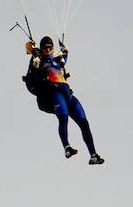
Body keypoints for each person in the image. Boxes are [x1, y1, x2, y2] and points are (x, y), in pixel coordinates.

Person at [24, 35, 103, 165]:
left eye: (50, 47)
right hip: (54, 91)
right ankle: (67, 147)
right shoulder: (38, 59)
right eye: (45, 48)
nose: (48, 50)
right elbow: (29, 49)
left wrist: (65, 49)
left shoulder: (58, 59)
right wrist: (32, 50)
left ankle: (93, 155)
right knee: (63, 117)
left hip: (67, 93)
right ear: (42, 48)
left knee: (84, 122)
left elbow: (64, 57)